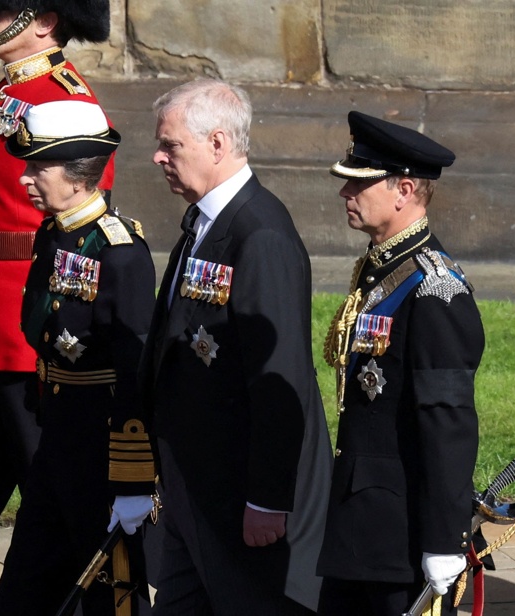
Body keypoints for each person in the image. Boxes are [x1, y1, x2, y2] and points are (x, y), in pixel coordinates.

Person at [0, 0, 117, 594]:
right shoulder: (2, 94)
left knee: (53, 498)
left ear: (44, 21)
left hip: (30, 328)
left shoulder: (67, 98)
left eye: (1, 10)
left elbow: (82, 223)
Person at [138, 78, 332, 615]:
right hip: (192, 487)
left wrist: (267, 499)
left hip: (238, 497)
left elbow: (280, 375)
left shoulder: (260, 234)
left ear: (217, 143)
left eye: (171, 145)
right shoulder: (204, 223)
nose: (158, 156)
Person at [0, 99, 156, 615]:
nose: (25, 179)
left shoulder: (119, 252)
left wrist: (133, 482)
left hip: (101, 454)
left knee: (107, 598)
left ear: (80, 176)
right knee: (24, 592)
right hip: (56, 439)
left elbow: (135, 372)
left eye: (39, 167)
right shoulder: (53, 233)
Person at [316, 111, 484, 615]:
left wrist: (443, 539)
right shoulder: (379, 268)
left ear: (404, 189)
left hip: (403, 534)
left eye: (359, 185)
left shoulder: (435, 290)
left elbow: (447, 423)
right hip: (360, 524)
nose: (346, 194)